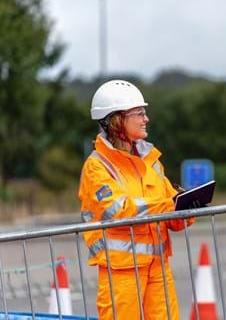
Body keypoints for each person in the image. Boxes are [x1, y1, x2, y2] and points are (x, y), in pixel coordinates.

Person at [79, 79, 194, 320]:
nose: (146, 119)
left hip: (158, 268)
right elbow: (118, 211)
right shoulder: (97, 167)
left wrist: (187, 207)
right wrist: (169, 205)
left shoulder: (150, 160)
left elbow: (170, 214)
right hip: (121, 272)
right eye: (139, 113)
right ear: (117, 119)